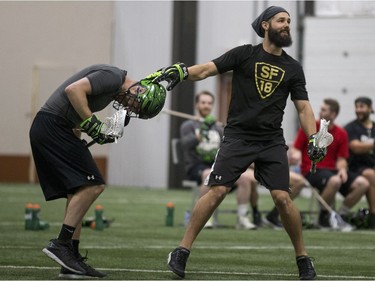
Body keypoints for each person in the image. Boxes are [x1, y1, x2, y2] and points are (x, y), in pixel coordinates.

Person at [145, 6, 325, 280]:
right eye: (281, 20)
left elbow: (303, 108)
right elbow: (206, 70)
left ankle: (303, 259)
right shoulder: (244, 55)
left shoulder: (293, 68)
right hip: (238, 137)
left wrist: (313, 137)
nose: (287, 24)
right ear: (265, 25)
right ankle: (181, 251)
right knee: (216, 191)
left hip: (271, 141)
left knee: (283, 199)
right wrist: (179, 73)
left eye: (289, 21)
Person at [29, 64, 166, 279]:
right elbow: (73, 91)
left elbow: (74, 112)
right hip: (52, 126)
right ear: (139, 90)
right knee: (94, 184)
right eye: (135, 105)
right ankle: (61, 244)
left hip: (57, 127)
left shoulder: (114, 88)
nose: (130, 108)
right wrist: (93, 125)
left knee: (79, 189)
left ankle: (70, 259)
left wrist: (99, 132)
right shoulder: (113, 77)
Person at [180, 90, 256, 230]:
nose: (206, 106)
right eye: (203, 102)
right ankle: (204, 217)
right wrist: (199, 134)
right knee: (208, 174)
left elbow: (226, 148)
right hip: (196, 166)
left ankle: (242, 218)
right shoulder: (188, 125)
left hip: (217, 166)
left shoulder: (217, 127)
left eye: (209, 103)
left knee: (244, 179)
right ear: (197, 104)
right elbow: (185, 144)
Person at [292, 98, 369, 230]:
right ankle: (324, 217)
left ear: (333, 114)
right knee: (334, 181)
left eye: (324, 110)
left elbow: (341, 159)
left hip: (332, 170)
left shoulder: (341, 133)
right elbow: (296, 148)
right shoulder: (309, 127)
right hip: (312, 169)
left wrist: (343, 170)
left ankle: (340, 215)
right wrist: (296, 154)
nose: (320, 112)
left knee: (363, 183)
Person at [345, 96, 375, 228]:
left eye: (362, 107)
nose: (358, 110)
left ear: (370, 109)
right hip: (354, 168)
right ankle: (373, 215)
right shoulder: (351, 128)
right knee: (370, 174)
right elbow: (356, 148)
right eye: (356, 107)